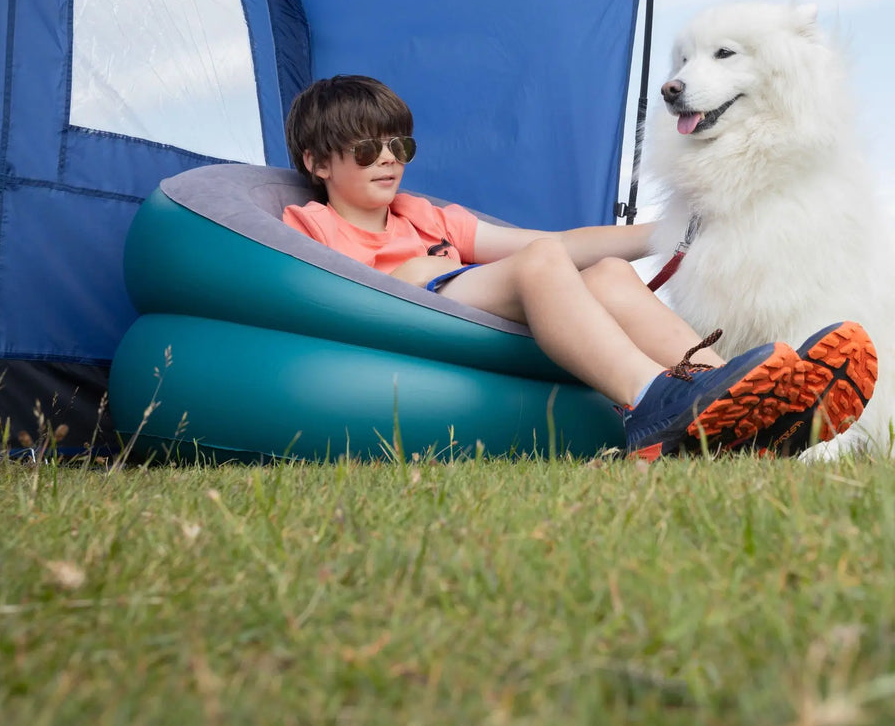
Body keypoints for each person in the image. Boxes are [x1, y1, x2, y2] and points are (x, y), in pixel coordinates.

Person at [281, 74, 875, 459]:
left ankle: (750, 402)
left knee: (608, 274)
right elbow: (314, 290)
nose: (388, 160)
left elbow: (557, 241)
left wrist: (667, 235)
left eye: (399, 147)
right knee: (540, 260)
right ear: (317, 162)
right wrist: (411, 268)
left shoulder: (427, 215)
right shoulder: (310, 225)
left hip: (468, 295)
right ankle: (653, 404)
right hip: (416, 310)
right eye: (366, 150)